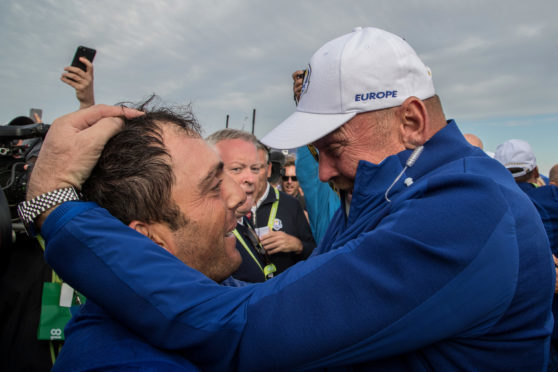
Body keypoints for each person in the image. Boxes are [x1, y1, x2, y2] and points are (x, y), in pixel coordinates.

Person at [31, 27, 553, 370]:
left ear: (411, 122)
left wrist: (54, 209)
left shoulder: (464, 209)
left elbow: (244, 329)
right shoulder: (396, 189)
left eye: (333, 147)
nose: (321, 171)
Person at [49, 100, 246, 370]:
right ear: (150, 240)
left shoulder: (214, 286)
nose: (239, 195)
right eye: (213, 186)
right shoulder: (117, 363)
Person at [206, 129, 275, 283]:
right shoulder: (208, 234)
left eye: (255, 169)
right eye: (237, 169)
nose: (251, 178)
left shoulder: (241, 219)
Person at [251, 141, 315, 274]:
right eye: (238, 168)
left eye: (256, 168)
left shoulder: (292, 205)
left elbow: (314, 251)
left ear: (269, 170)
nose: (249, 176)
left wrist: (297, 245)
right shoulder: (232, 205)